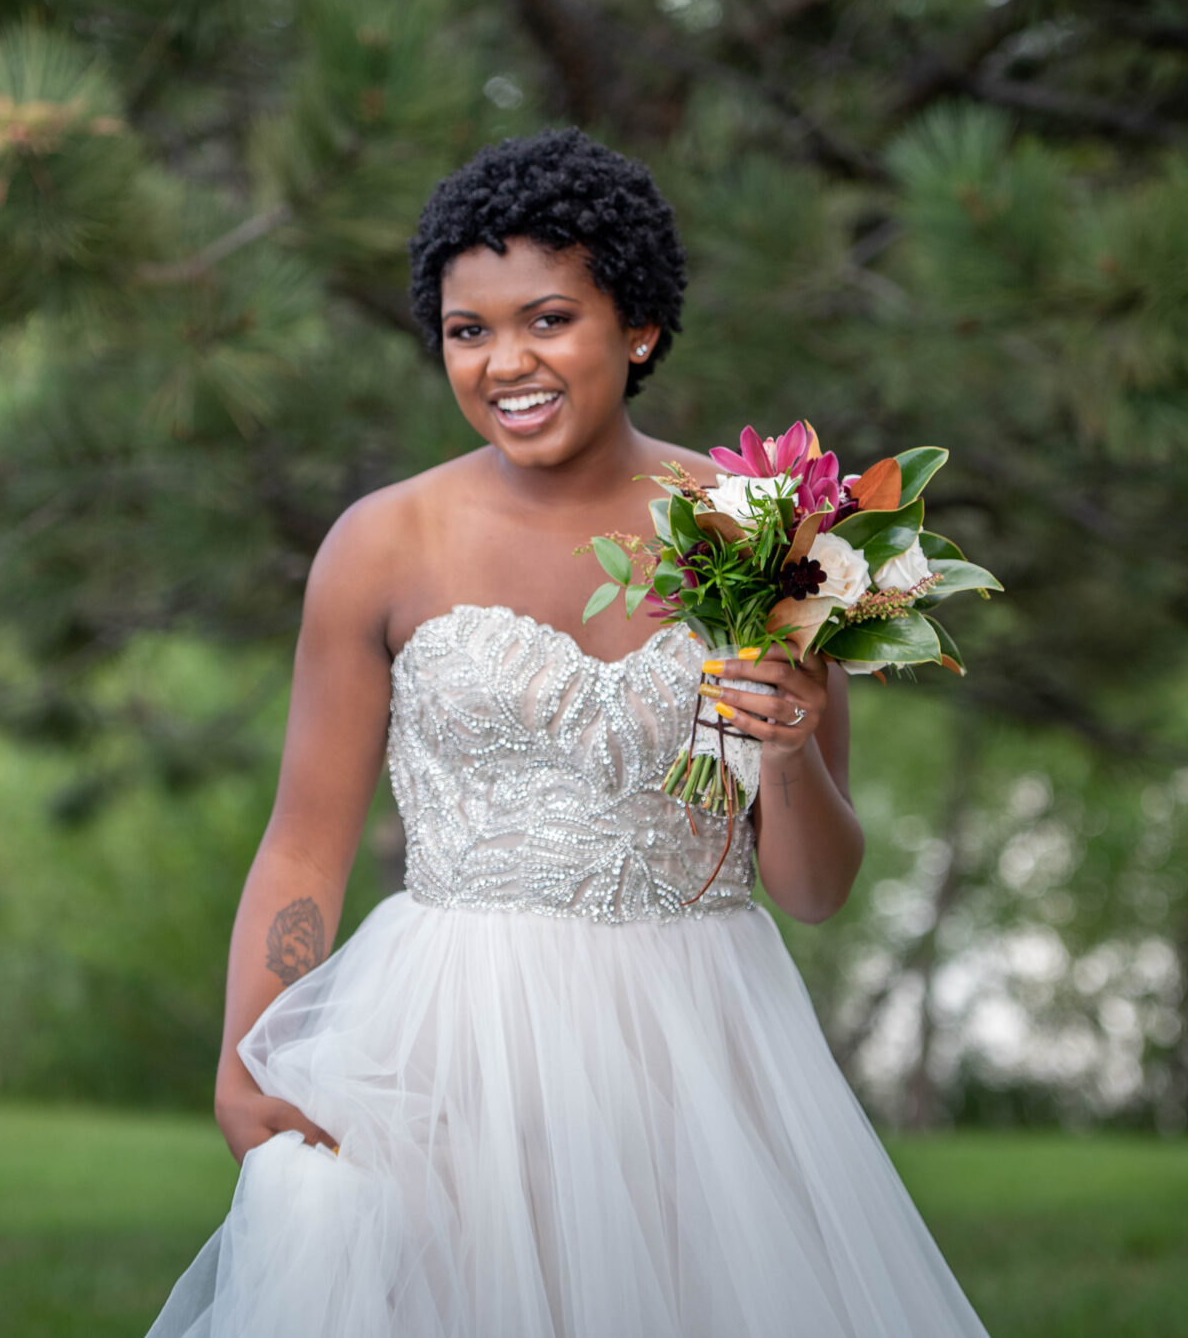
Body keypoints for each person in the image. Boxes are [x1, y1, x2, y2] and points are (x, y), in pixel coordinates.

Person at [146, 129, 990, 1337]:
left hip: (694, 1051)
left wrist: (791, 746)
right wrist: (244, 1058)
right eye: (467, 329)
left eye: (548, 318)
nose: (505, 362)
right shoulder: (381, 544)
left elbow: (812, 890)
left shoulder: (759, 539)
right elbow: (300, 843)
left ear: (636, 325)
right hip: (444, 1042)